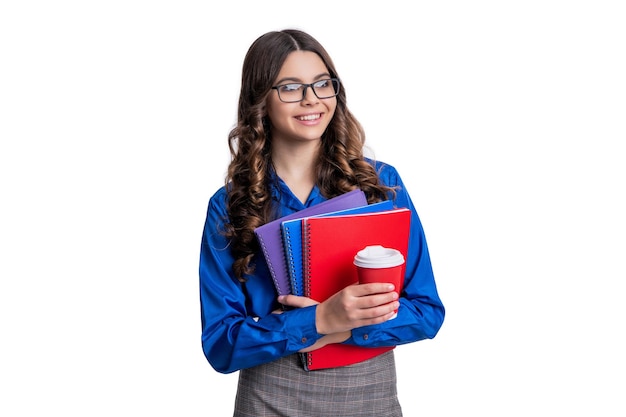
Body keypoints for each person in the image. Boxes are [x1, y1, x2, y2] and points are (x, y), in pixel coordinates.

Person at [199, 28, 445, 416]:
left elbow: (427, 311)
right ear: (260, 100)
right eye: (291, 87)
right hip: (269, 397)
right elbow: (221, 344)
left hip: (369, 396)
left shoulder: (382, 187)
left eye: (322, 84)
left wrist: (344, 326)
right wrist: (315, 319)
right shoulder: (230, 205)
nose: (311, 99)